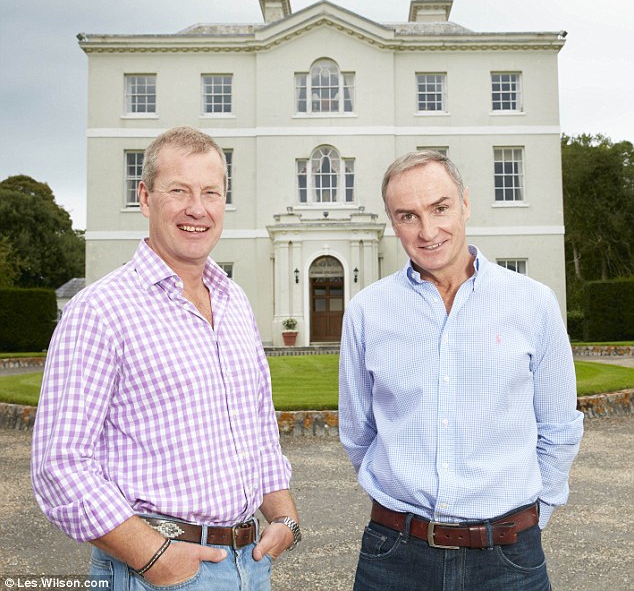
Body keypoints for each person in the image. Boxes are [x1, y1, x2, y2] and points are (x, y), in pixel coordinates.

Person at [32, 126, 301, 591]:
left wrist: (283, 517)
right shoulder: (101, 309)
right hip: (157, 571)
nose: (197, 208)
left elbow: (256, 423)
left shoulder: (234, 300)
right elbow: (60, 464)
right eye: (179, 190)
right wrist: (156, 559)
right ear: (146, 197)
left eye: (211, 192)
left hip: (250, 565)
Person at [339, 150, 584, 591]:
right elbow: (358, 432)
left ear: (465, 204)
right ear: (393, 223)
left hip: (509, 558)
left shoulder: (533, 303)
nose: (428, 231)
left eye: (440, 208)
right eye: (408, 216)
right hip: (395, 556)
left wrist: (533, 514)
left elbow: (560, 427)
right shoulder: (366, 311)